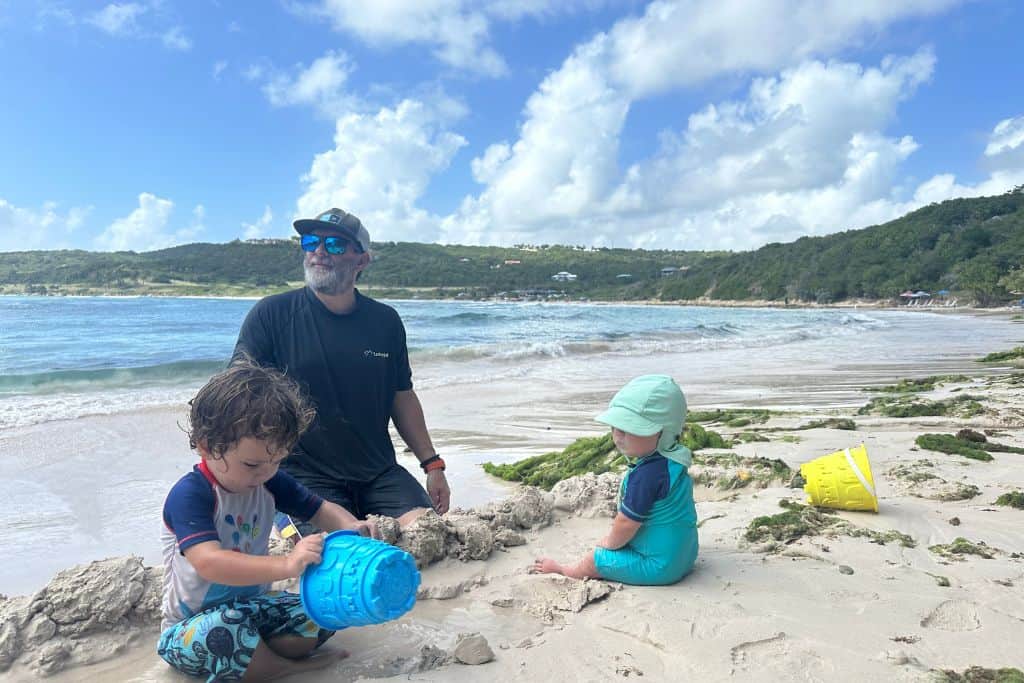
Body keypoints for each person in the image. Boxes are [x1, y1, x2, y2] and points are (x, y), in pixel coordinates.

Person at [158, 361, 379, 681]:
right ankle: (282, 667)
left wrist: (352, 527)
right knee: (222, 630)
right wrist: (287, 565)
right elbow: (209, 563)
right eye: (252, 464)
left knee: (325, 609)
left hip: (253, 609)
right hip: (191, 630)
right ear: (207, 447)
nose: (265, 472)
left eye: (276, 461)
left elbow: (320, 509)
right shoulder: (192, 495)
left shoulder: (269, 482)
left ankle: (256, 660)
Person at [233, 208, 450, 529]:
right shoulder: (272, 314)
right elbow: (237, 394)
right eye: (310, 242)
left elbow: (401, 396)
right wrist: (237, 474)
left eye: (334, 244)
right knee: (338, 552)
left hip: (379, 473)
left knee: (427, 531)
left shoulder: (385, 322)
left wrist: (433, 464)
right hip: (301, 476)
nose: (319, 252)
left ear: (361, 260)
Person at [532, 375, 698, 584]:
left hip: (660, 567)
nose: (617, 436)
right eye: (614, 428)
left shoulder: (645, 476)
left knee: (595, 559)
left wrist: (610, 543)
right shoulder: (674, 460)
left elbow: (627, 522)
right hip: (686, 555)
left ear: (663, 433)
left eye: (628, 429)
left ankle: (564, 571)